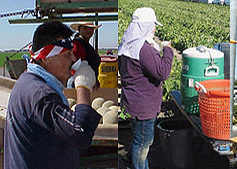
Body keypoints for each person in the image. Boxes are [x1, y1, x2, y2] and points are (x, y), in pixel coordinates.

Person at [4, 21, 101, 169]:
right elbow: (80, 133)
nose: (74, 59)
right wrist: (82, 85)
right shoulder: (40, 94)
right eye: (68, 55)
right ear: (48, 58)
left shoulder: (30, 81)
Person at [118, 7, 174, 169]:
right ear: (145, 26)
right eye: (152, 25)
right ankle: (139, 165)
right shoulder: (143, 49)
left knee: (138, 136)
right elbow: (162, 72)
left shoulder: (127, 44)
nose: (154, 29)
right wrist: (168, 51)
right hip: (143, 106)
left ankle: (129, 159)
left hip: (133, 101)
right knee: (143, 142)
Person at [69, 21, 102, 90]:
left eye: (91, 28)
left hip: (87, 81)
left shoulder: (86, 44)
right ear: (79, 30)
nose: (88, 30)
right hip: (79, 82)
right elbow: (76, 64)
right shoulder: (77, 44)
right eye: (85, 28)